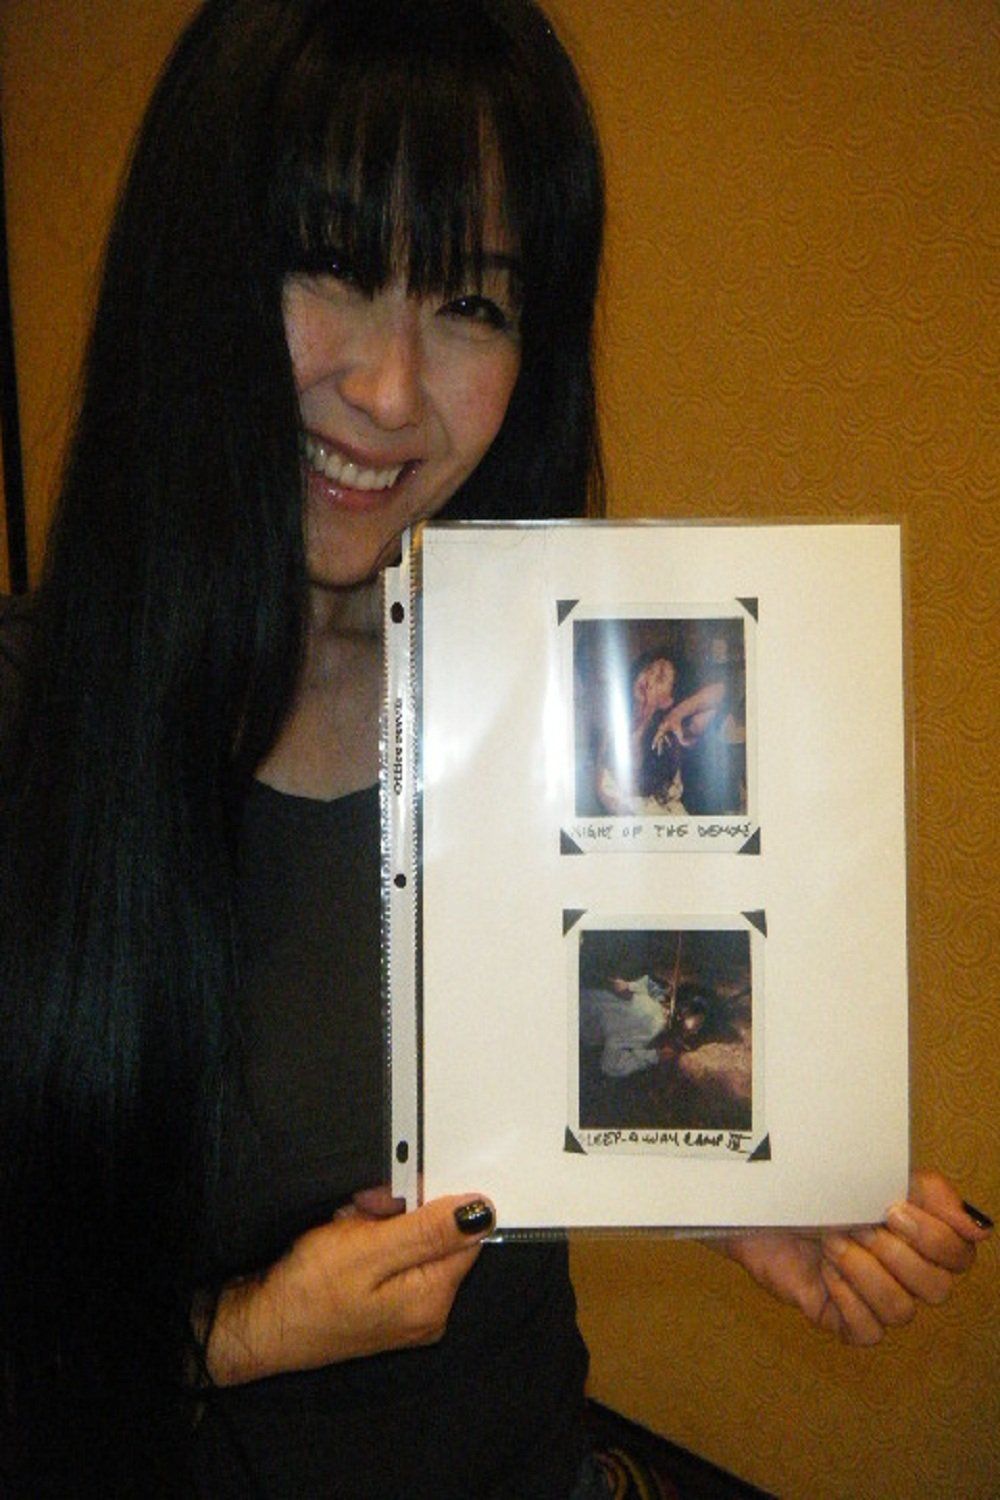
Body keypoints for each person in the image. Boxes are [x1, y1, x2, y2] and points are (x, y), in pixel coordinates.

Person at [0, 1, 990, 1496]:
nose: (392, 392)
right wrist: (244, 1334)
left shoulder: (544, 712)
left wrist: (711, 1171)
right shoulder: (30, 731)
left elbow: (565, 1075)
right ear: (193, 271)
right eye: (334, 267)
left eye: (472, 302)